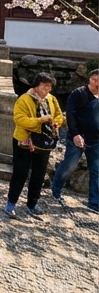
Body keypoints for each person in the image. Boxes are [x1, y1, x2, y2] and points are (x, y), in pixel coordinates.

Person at [6, 72, 64, 218]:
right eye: (45, 86)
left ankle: (32, 203)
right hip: (25, 141)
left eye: (49, 87)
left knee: (39, 174)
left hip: (44, 141)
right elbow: (19, 119)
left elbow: (58, 115)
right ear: (36, 86)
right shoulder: (24, 100)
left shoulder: (51, 99)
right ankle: (11, 203)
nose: (47, 90)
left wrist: (56, 123)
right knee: (20, 173)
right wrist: (39, 121)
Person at [51, 67, 99, 214]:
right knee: (69, 166)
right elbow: (70, 115)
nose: (97, 83)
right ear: (89, 80)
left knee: (96, 171)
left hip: (96, 140)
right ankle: (56, 190)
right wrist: (76, 134)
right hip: (77, 137)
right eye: (94, 80)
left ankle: (94, 203)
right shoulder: (79, 94)